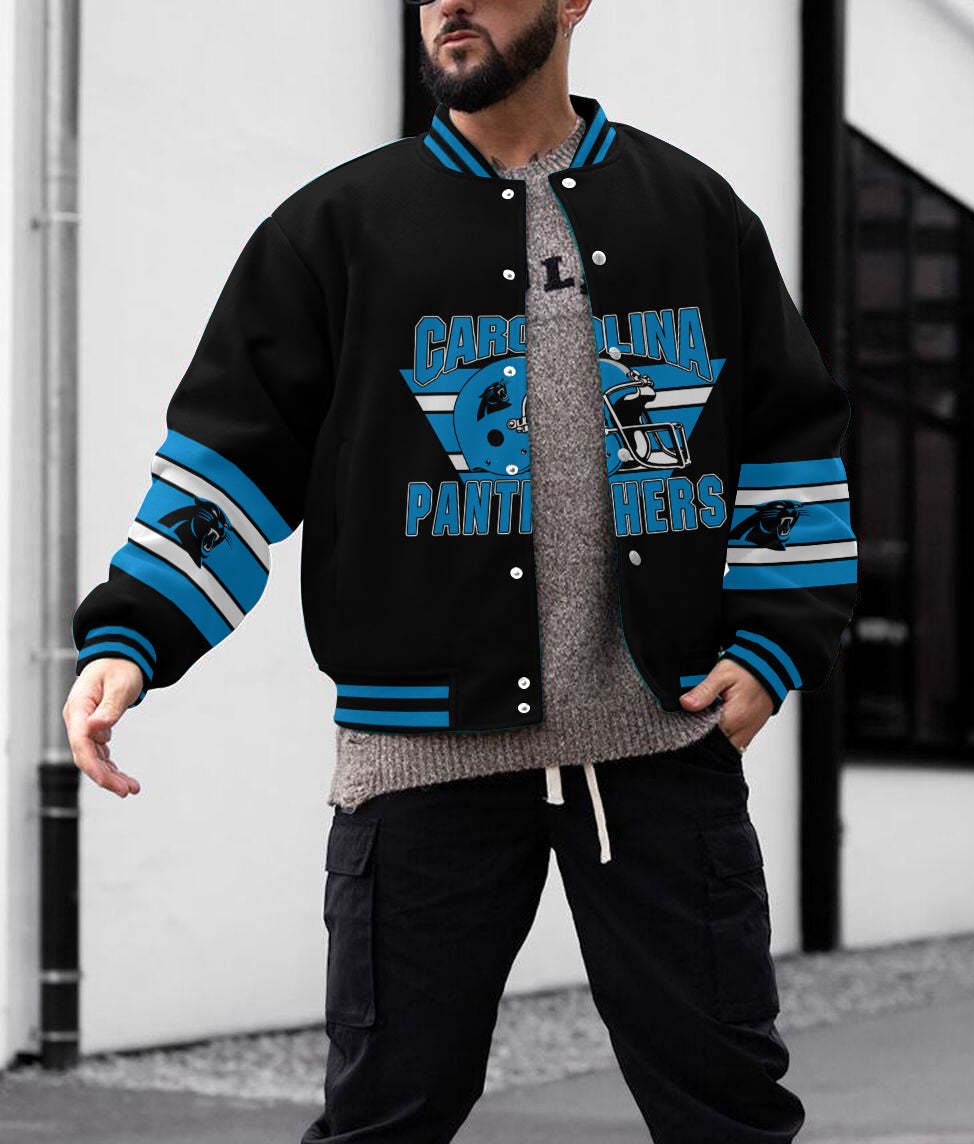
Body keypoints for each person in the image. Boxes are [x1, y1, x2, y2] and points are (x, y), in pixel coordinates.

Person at [63, 1, 859, 1140]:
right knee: (386, 1118)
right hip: (419, 761)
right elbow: (233, 457)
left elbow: (790, 438)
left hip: (659, 750)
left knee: (728, 1115)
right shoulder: (337, 228)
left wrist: (775, 643)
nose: (448, 3)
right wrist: (135, 635)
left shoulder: (693, 213)